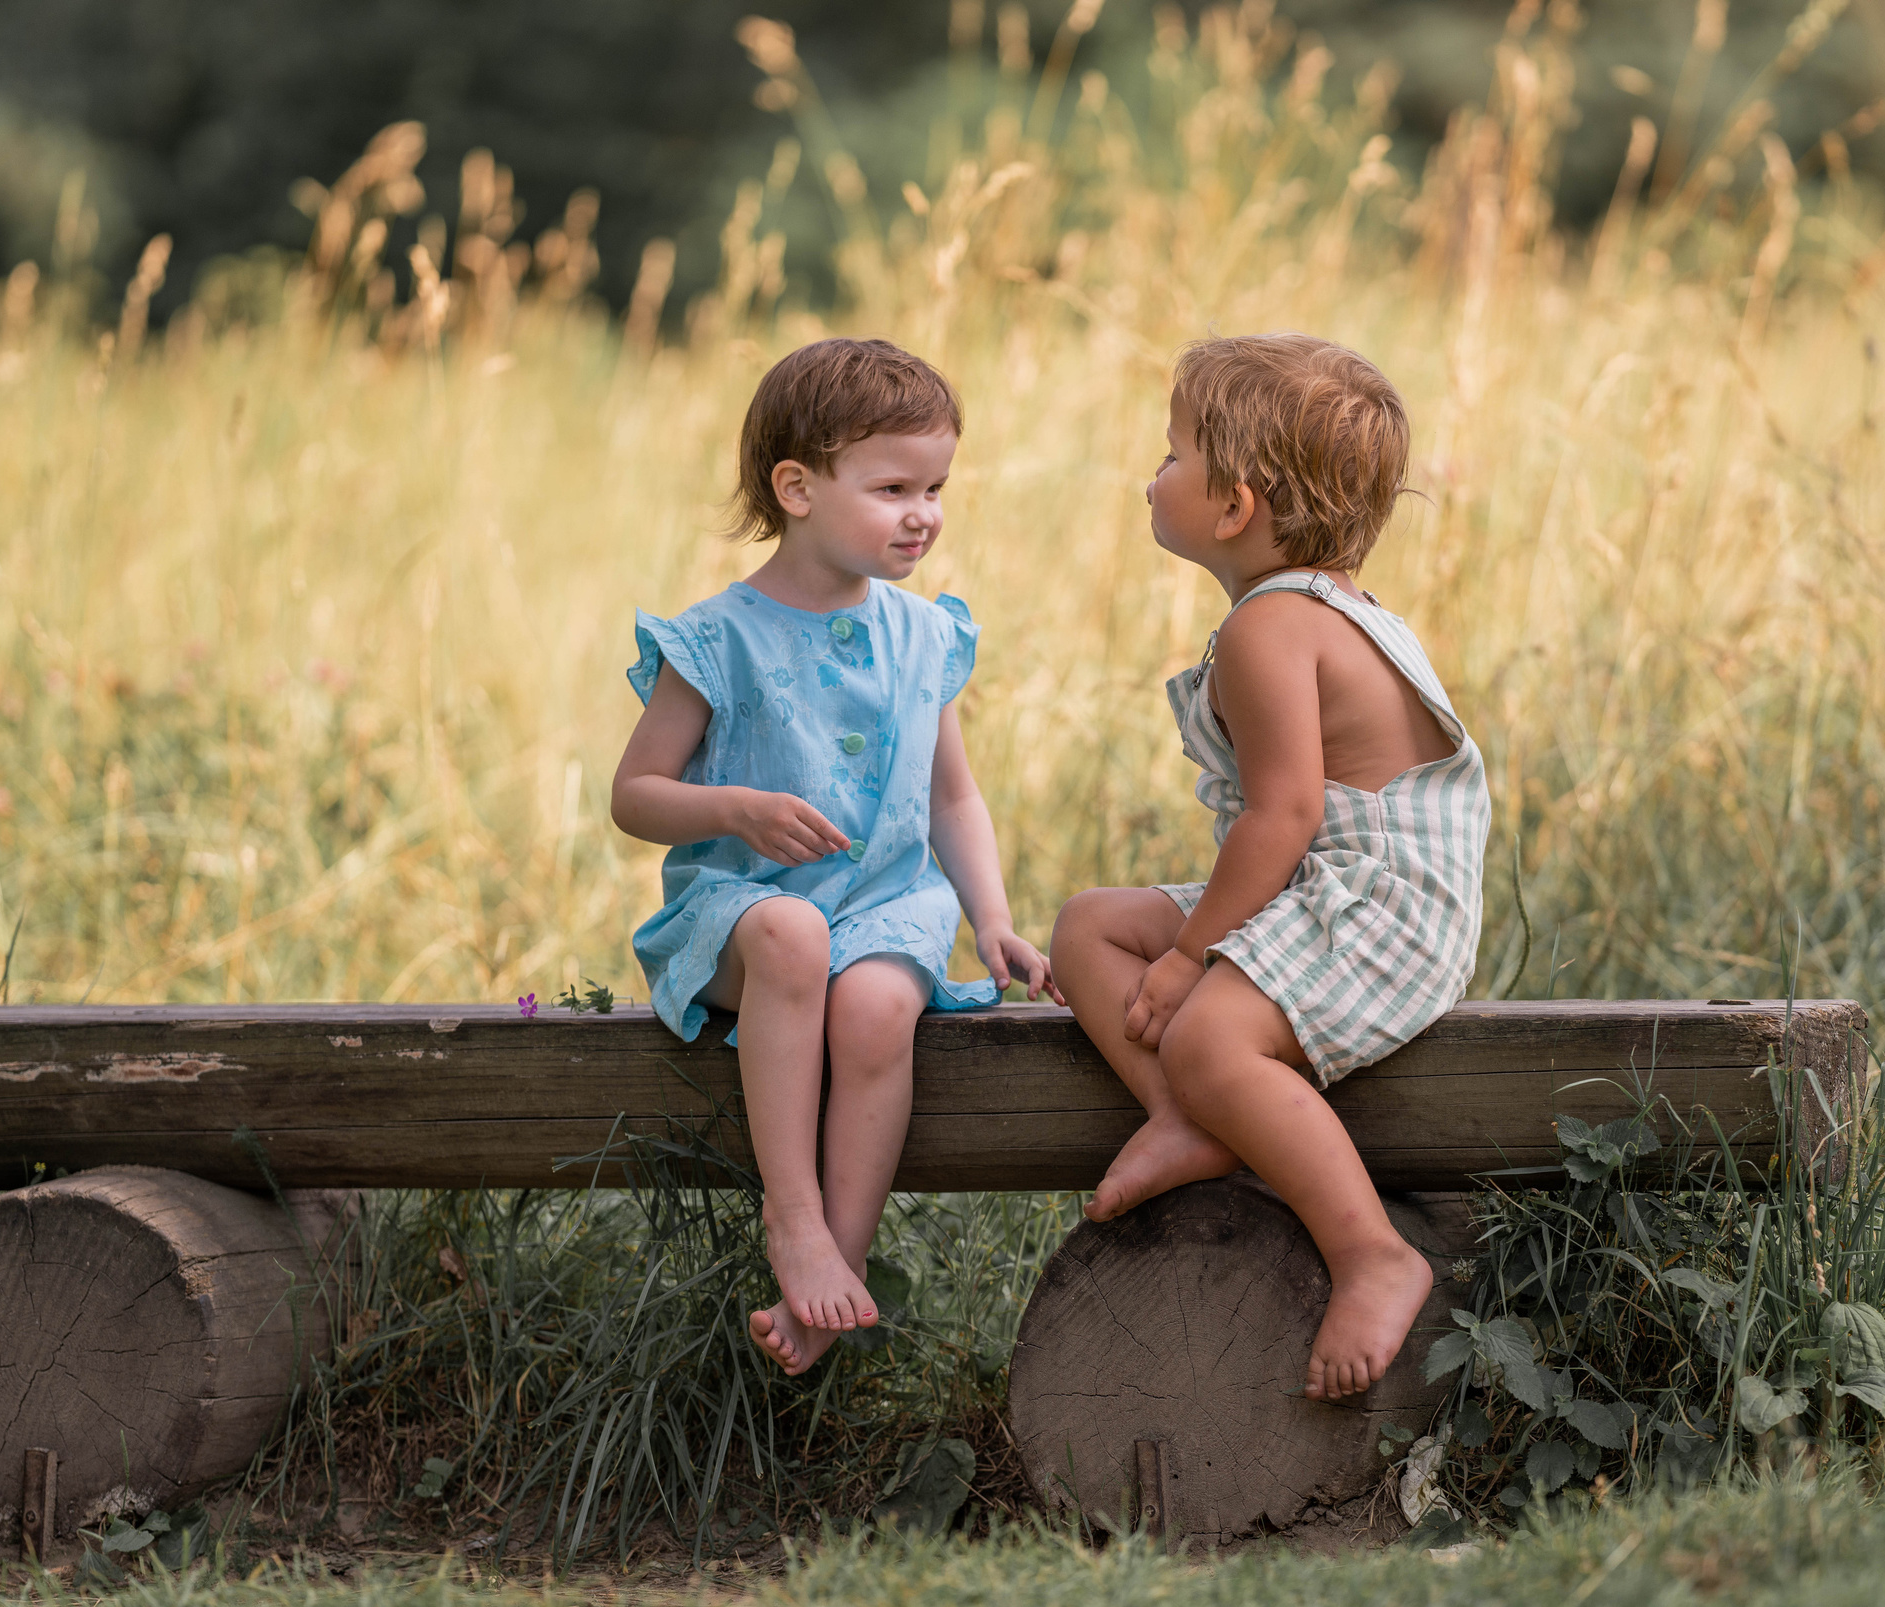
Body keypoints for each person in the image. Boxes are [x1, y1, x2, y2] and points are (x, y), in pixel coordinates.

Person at [1052, 334, 1490, 1402]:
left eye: (1171, 454)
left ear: (1235, 505)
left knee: (1204, 1025)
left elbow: (1284, 814)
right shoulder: (1310, 607)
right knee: (1087, 929)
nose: (1150, 475)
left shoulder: (1273, 628)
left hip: (1384, 906)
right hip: (1329, 888)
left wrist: (1190, 958)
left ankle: (1370, 1252)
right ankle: (1189, 1120)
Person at [613, 337, 1055, 1377]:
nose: (925, 512)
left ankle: (830, 1281)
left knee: (873, 1009)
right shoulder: (716, 639)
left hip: (884, 907)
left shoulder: (923, 637)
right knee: (794, 932)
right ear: (798, 487)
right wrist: (733, 808)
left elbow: (954, 794)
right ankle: (795, 1217)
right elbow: (635, 798)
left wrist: (989, 916)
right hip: (742, 914)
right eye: (894, 485)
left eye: (937, 486)